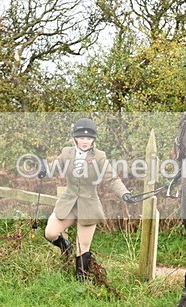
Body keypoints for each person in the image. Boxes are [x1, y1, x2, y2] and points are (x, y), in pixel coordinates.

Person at [44, 118, 134, 279]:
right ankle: (65, 245)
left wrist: (124, 193)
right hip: (68, 202)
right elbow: (55, 166)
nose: (85, 141)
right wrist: (45, 170)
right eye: (81, 138)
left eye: (88, 138)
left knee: (83, 246)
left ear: (93, 140)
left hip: (89, 204)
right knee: (50, 232)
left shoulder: (99, 157)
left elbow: (112, 178)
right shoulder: (67, 152)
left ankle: (81, 279)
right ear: (75, 138)